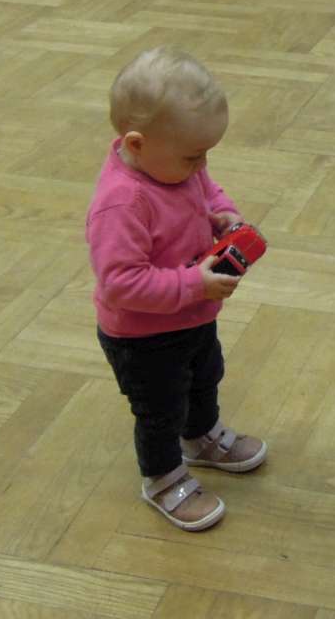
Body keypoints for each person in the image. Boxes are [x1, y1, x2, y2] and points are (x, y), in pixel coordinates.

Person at [88, 47, 268, 531]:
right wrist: (194, 284)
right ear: (138, 143)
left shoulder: (175, 163)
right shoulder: (122, 204)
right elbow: (120, 283)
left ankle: (201, 437)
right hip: (143, 338)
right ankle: (163, 478)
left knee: (205, 376)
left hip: (191, 315)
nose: (202, 164)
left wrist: (223, 214)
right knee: (161, 410)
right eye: (193, 156)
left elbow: (206, 189)